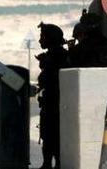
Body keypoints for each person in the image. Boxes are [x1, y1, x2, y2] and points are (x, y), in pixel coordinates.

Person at [35, 23, 69, 169]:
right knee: (48, 136)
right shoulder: (53, 56)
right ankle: (47, 163)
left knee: (52, 136)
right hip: (50, 104)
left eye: (43, 37)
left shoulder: (58, 57)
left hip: (56, 105)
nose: (40, 40)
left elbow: (51, 79)